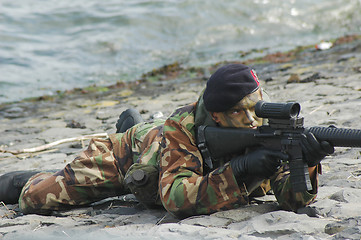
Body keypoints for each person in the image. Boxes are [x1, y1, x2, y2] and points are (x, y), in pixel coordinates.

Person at [0, 64, 334, 219]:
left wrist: (306, 161)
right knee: (35, 199)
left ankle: (134, 122)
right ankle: (28, 175)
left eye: (255, 108)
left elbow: (292, 201)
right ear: (216, 116)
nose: (251, 120)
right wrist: (242, 170)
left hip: (163, 151)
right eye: (239, 113)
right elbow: (175, 199)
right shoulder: (185, 126)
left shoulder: (263, 123)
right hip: (129, 157)